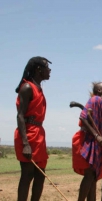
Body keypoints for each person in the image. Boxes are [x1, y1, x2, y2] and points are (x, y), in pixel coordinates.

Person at [14, 56, 52, 201]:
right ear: (38, 69)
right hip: (28, 134)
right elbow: (20, 116)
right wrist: (25, 144)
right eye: (47, 68)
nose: (49, 71)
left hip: (39, 134)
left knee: (40, 175)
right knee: (27, 175)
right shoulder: (27, 87)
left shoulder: (38, 88)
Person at [72, 82, 102, 201]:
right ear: (99, 91)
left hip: (97, 142)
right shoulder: (95, 99)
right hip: (89, 140)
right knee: (90, 174)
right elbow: (83, 117)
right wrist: (97, 136)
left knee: (94, 176)